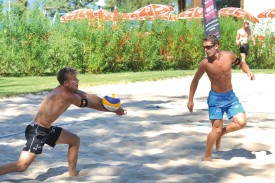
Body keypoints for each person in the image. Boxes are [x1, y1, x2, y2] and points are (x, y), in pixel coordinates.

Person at [0, 67, 127, 176]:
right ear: (66, 82)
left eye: (77, 78)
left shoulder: (66, 89)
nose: (77, 81)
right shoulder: (67, 96)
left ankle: (73, 175)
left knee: (74, 140)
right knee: (22, 165)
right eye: (74, 79)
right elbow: (92, 105)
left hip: (46, 129)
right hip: (37, 131)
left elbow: (88, 96)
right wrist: (114, 111)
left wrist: (108, 103)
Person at [187, 35, 255, 161]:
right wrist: (190, 99)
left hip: (230, 96)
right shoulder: (205, 64)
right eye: (204, 47)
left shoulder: (228, 55)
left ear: (216, 46)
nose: (206, 50)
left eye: (208, 47)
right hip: (215, 99)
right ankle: (207, 156)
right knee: (216, 129)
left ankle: (221, 134)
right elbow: (195, 80)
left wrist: (248, 71)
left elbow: (241, 64)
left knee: (241, 122)